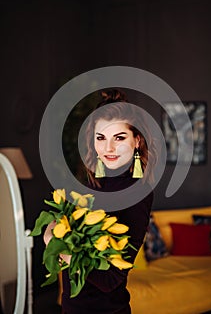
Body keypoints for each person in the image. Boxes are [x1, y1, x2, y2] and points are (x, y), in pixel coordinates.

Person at [46, 89, 157, 314]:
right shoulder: (92, 184)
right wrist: (52, 231)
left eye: (119, 138)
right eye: (101, 138)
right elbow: (63, 225)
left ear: (137, 141)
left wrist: (59, 246)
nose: (108, 148)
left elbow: (110, 279)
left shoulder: (137, 193)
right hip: (72, 307)